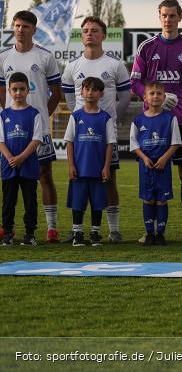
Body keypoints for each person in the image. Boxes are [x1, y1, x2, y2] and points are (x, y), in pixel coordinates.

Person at [130, 0, 182, 243]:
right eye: (164, 15)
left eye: (172, 15)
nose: (168, 19)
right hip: (154, 122)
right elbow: (135, 82)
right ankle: (151, 230)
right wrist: (156, 98)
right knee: (152, 173)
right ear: (159, 17)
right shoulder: (146, 48)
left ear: (179, 18)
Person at [61, 16, 132, 243]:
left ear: (103, 35)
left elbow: (125, 97)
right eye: (85, 30)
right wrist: (80, 117)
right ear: (81, 36)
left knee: (109, 179)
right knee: (78, 179)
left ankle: (113, 229)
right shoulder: (72, 67)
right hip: (82, 137)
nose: (89, 33)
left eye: (94, 30)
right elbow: (70, 99)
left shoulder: (114, 64)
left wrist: (111, 119)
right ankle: (78, 229)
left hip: (104, 135)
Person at [0, 10, 62, 242]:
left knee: (44, 176)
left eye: (25, 26)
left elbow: (56, 94)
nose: (20, 30)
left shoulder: (45, 56)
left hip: (39, 129)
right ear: (13, 28)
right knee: (9, 179)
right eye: (17, 26)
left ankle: (51, 227)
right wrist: (13, 116)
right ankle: (8, 227)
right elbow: (1, 91)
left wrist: (41, 117)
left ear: (34, 30)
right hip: (12, 129)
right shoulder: (4, 57)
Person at [63, 77, 115, 247]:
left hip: (98, 169)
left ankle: (95, 234)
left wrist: (107, 166)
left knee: (98, 202)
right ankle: (77, 233)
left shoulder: (105, 118)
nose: (90, 93)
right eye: (87, 89)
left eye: (94, 90)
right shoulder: (76, 116)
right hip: (80, 169)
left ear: (101, 94)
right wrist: (71, 165)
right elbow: (69, 142)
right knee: (78, 202)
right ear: (82, 92)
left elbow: (109, 144)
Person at [130, 81, 182, 246]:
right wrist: (144, 158)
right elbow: (134, 144)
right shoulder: (138, 120)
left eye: (159, 93)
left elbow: (175, 143)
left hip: (163, 165)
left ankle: (160, 233)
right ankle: (149, 233)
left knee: (161, 200)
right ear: (144, 97)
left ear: (164, 97)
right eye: (151, 93)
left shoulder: (170, 118)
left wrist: (164, 158)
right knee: (147, 199)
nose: (155, 96)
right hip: (145, 166)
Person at [0, 72, 43, 246]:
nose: (18, 93)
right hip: (8, 165)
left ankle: (30, 234)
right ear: (9, 91)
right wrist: (11, 157)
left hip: (28, 165)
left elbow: (37, 138)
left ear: (28, 90)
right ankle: (8, 233)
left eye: (22, 89)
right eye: (15, 89)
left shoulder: (34, 113)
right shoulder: (3, 115)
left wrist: (21, 157)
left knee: (30, 201)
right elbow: (1, 140)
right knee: (8, 202)